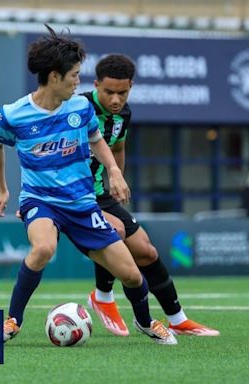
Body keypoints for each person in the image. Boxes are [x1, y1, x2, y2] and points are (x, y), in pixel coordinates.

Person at [0, 25, 177, 345]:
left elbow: (97, 140)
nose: (78, 81)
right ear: (53, 77)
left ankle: (145, 322)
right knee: (44, 248)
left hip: (82, 204)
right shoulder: (13, 114)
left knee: (131, 274)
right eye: (74, 75)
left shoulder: (80, 107)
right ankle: (12, 320)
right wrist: (3, 189)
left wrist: (114, 171)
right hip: (41, 200)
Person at [82, 54, 219, 337]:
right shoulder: (79, 108)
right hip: (75, 195)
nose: (116, 99)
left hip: (100, 193)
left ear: (131, 86)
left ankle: (178, 319)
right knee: (114, 231)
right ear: (96, 85)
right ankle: (102, 297)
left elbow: (117, 148)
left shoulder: (124, 114)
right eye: (109, 92)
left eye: (123, 92)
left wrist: (116, 179)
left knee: (147, 251)